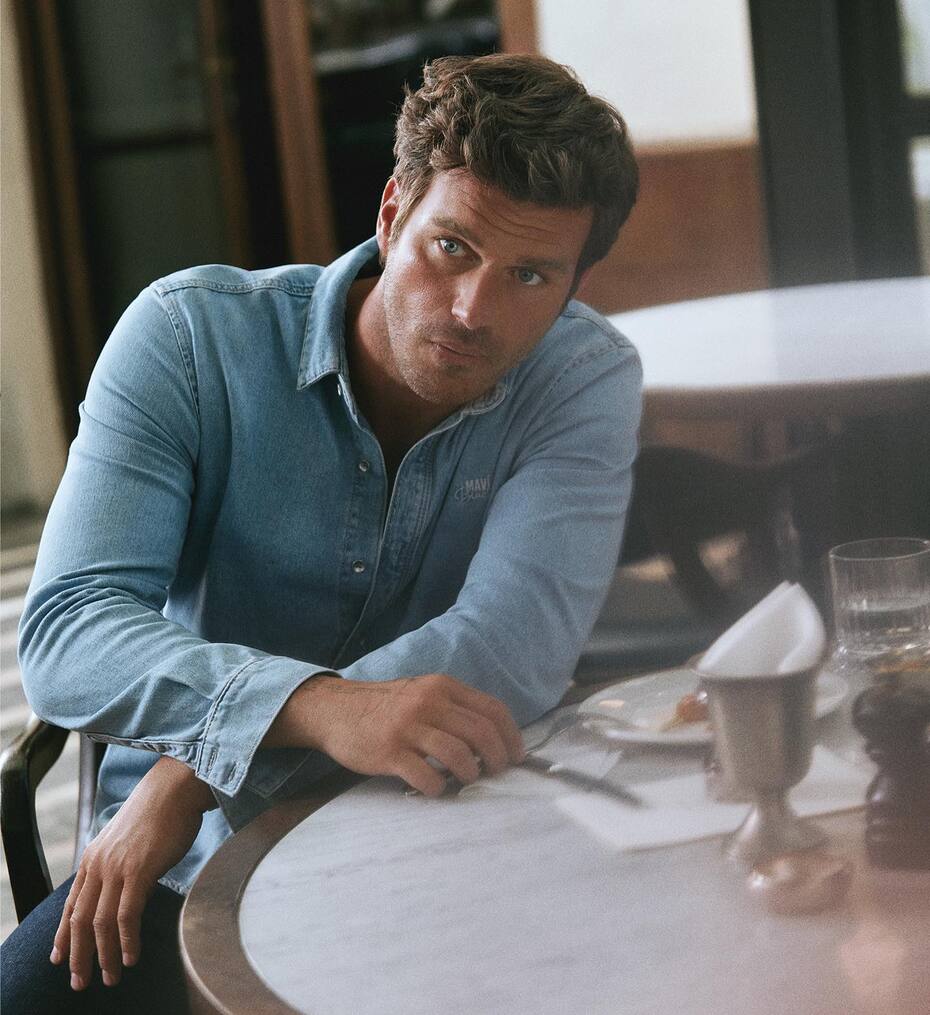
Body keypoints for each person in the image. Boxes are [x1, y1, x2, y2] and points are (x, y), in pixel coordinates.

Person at [2, 52, 641, 1012]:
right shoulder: (189, 338)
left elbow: (512, 644)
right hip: (182, 866)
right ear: (391, 214)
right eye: (451, 247)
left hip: (446, 828)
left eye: (529, 274)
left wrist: (199, 767)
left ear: (574, 286)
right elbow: (67, 634)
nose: (472, 310)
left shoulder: (584, 377)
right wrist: (319, 709)